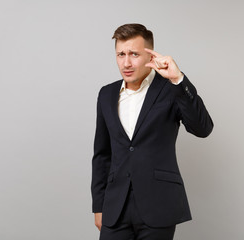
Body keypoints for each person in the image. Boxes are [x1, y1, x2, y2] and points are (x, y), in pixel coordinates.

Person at [91, 23, 213, 240]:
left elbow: (202, 128)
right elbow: (102, 154)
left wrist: (177, 79)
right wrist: (99, 205)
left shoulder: (169, 89)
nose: (126, 62)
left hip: (158, 205)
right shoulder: (106, 94)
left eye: (134, 54)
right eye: (121, 54)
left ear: (149, 56)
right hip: (115, 207)